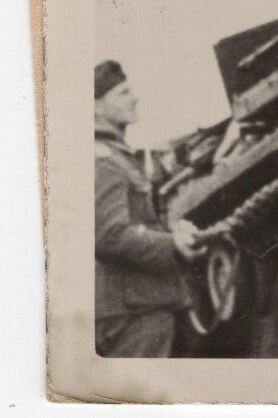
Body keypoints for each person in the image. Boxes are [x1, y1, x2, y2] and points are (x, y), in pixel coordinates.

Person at [95, 60, 198, 357]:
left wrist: (174, 234)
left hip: (142, 305)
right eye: (123, 93)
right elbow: (110, 235)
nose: (135, 98)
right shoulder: (103, 158)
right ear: (96, 106)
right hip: (132, 314)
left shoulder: (117, 155)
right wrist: (172, 244)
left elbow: (135, 224)